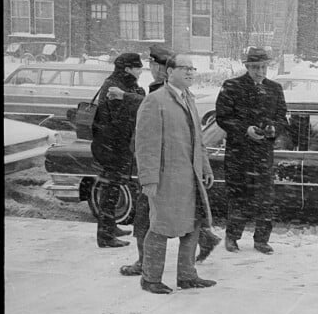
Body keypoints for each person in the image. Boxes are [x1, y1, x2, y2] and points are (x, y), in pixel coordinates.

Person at [115, 46, 221, 277]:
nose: (190, 73)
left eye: (193, 69)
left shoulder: (189, 99)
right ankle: (151, 279)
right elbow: (146, 146)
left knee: (193, 226)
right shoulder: (155, 101)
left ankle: (187, 276)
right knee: (159, 228)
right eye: (185, 68)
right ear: (170, 72)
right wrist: (149, 180)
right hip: (166, 180)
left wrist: (205, 166)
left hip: (189, 178)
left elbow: (198, 140)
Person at [215, 47, 288, 255]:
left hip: (264, 154)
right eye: (255, 67)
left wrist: (274, 128)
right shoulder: (232, 86)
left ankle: (262, 240)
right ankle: (232, 237)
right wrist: (245, 129)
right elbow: (222, 117)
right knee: (239, 196)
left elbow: (283, 117)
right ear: (247, 67)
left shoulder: (275, 88)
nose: (260, 71)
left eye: (264, 67)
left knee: (265, 199)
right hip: (239, 154)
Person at [91, 53, 145, 248]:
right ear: (128, 69)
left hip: (113, 144)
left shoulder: (121, 84)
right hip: (111, 146)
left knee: (113, 186)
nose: (141, 70)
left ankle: (110, 226)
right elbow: (132, 111)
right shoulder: (115, 87)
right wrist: (136, 96)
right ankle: (105, 235)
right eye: (138, 67)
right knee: (110, 187)